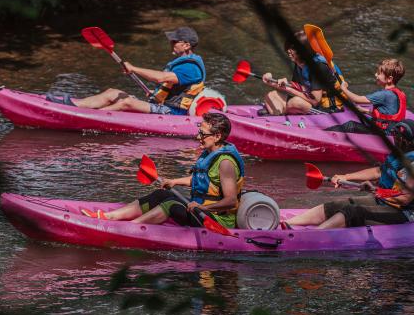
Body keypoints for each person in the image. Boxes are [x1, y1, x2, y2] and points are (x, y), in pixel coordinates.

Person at [81, 113, 245, 229]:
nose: (198, 137)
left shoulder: (225, 163)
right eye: (199, 131)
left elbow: (231, 201)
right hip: (199, 209)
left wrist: (202, 208)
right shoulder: (210, 152)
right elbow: (202, 180)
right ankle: (109, 217)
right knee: (161, 195)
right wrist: (174, 181)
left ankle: (130, 229)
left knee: (171, 204)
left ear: (217, 136)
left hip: (216, 219)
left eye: (202, 133)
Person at [284, 119, 414, 230]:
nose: (394, 138)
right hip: (383, 201)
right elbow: (377, 171)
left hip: (402, 212)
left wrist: (377, 191)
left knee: (353, 211)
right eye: (394, 135)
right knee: (338, 205)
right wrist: (346, 177)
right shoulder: (397, 154)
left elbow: (405, 198)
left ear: (408, 141)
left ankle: (311, 235)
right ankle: (287, 223)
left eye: (398, 136)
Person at [46, 27, 206, 115]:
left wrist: (133, 68)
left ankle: (88, 117)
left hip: (171, 111)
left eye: (174, 41)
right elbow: (169, 85)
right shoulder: (183, 63)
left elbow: (161, 78)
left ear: (186, 45)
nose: (170, 43)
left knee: (126, 102)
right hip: (161, 103)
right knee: (112, 92)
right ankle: (74, 105)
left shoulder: (191, 68)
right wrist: (155, 92)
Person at [260, 30, 344, 116]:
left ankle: (281, 112)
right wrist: (271, 82)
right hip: (310, 102)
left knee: (295, 102)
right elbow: (298, 88)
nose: (289, 51)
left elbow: (315, 100)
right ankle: (280, 115)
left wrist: (288, 88)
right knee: (271, 95)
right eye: (289, 47)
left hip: (329, 110)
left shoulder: (318, 67)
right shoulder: (299, 64)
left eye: (293, 48)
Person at [325, 58, 407, 134]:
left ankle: (323, 134)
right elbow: (388, 116)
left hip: (384, 132)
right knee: (362, 118)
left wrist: (344, 89)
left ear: (389, 79)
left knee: (351, 125)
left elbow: (356, 99)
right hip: (392, 130)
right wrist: (365, 111)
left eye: (379, 73)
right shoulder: (398, 93)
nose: (375, 75)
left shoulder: (384, 94)